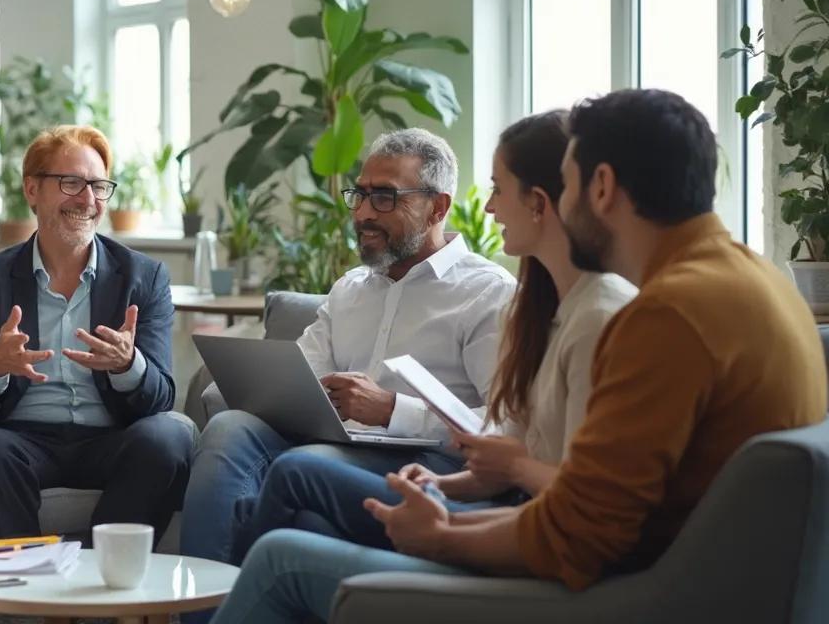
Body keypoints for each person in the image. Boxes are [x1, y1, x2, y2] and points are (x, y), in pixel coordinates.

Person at [209, 88, 828, 624]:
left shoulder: (664, 315)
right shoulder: (756, 279)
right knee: (304, 526)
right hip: (692, 580)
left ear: (601, 187)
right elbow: (589, 508)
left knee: (280, 557)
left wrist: (446, 535)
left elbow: (582, 538)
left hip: (640, 597)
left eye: (570, 179)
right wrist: (463, 506)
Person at [229, 111, 637, 563]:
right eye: (360, 195)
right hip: (441, 480)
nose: (488, 207)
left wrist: (447, 521)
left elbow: (561, 487)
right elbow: (515, 441)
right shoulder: (553, 307)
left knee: (296, 477)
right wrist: (442, 488)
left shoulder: (567, 310)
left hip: (512, 521)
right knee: (274, 485)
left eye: (497, 189)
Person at [181, 128, 518, 567]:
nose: (362, 213)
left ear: (438, 207)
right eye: (358, 195)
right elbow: (301, 373)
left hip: (427, 465)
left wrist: (393, 410)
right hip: (337, 447)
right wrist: (259, 389)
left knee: (305, 482)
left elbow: (505, 426)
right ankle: (199, 610)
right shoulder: (350, 289)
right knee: (230, 428)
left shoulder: (487, 293)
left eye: (383, 198)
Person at [0, 125, 194, 542]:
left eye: (98, 186)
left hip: (112, 437)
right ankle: (25, 582)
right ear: (32, 190)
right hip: (22, 437)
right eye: (71, 183)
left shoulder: (144, 277)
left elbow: (161, 398)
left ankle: (97, 576)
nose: (88, 199)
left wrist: (130, 365)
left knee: (167, 438)